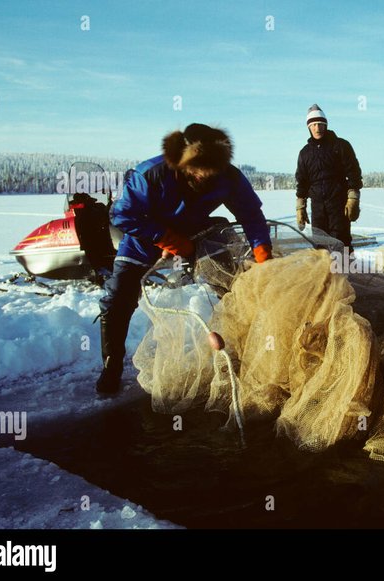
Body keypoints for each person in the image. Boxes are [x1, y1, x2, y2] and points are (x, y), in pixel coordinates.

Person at [96, 123, 273, 394]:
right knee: (118, 296)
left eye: (209, 169)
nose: (203, 176)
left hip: (196, 233)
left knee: (234, 283)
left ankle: (240, 347)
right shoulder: (150, 174)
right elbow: (121, 215)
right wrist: (168, 239)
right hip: (145, 237)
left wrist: (262, 251)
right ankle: (112, 365)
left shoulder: (228, 177)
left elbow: (251, 216)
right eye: (197, 168)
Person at [295, 104, 363, 248]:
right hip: (318, 206)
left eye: (320, 124)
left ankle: (345, 270)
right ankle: (325, 271)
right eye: (313, 125)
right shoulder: (305, 153)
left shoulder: (341, 146)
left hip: (338, 204)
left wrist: (353, 197)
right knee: (319, 244)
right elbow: (302, 181)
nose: (317, 128)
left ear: (325, 125)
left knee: (341, 242)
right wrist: (300, 206)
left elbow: (353, 172)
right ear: (308, 127)